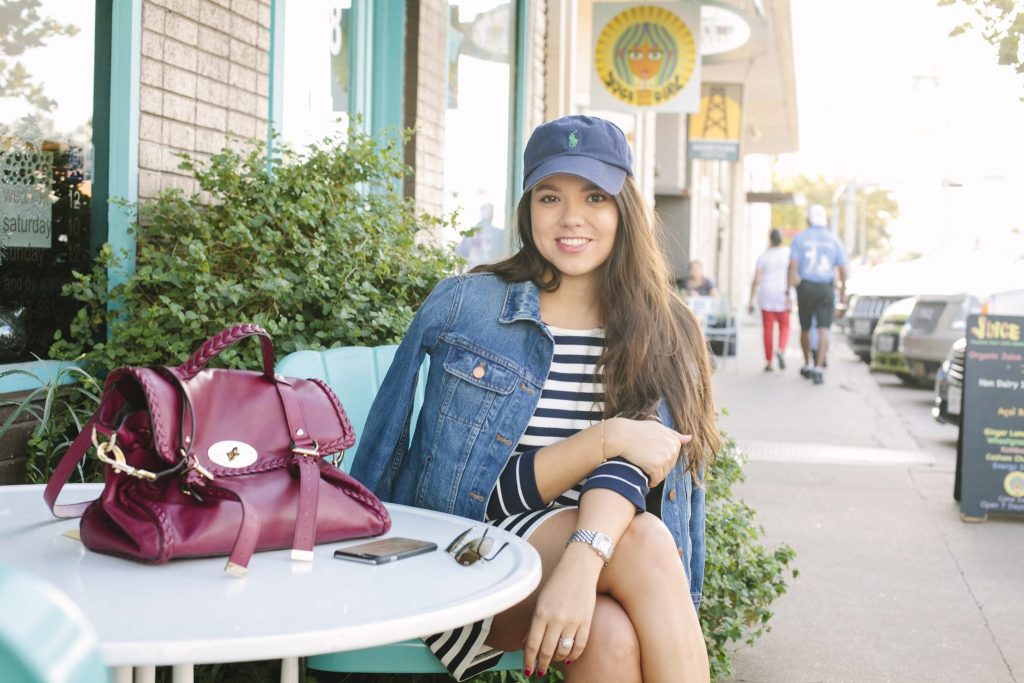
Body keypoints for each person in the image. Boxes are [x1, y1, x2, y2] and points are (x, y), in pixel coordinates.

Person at [352, 114, 716, 682]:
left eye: (595, 196)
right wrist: (606, 438)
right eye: (550, 197)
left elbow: (640, 469)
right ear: (527, 209)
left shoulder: (662, 327)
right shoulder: (469, 309)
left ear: (625, 209)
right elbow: (477, 494)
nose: (572, 218)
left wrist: (580, 561)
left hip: (594, 564)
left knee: (613, 636)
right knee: (643, 541)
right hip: (466, 562)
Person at [788, 203, 848, 384]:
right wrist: (843, 292)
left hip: (806, 287)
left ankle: (807, 363)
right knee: (824, 329)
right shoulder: (834, 239)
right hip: (825, 288)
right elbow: (843, 269)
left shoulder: (800, 238)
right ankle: (819, 368)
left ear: (808, 219)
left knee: (805, 328)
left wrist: (790, 289)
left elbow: (792, 267)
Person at [747, 228, 791, 371]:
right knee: (785, 325)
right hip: (783, 292)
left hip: (766, 293)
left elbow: (756, 279)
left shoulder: (764, 256)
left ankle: (769, 362)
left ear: (770, 240)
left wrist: (751, 300)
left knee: (768, 329)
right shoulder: (788, 253)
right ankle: (781, 349)